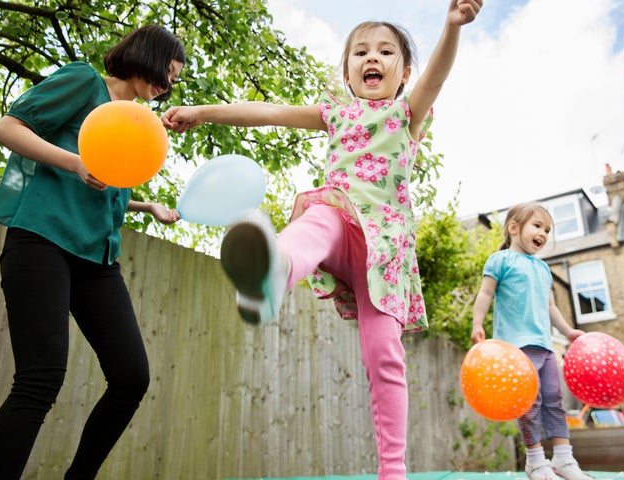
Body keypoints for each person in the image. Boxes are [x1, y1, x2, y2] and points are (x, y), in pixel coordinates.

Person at [162, 2, 482, 478]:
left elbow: (436, 75)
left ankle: (392, 470)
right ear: (348, 73)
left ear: (404, 71)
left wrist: (451, 27)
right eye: (360, 52)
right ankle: (270, 275)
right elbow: (268, 112)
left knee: (385, 358)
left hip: (385, 252)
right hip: (339, 215)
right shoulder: (335, 114)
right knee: (314, 225)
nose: (371, 58)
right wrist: (205, 111)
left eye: (385, 51)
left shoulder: (405, 113)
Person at [0, 25, 185, 480]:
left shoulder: (131, 121)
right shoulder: (85, 82)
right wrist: (74, 161)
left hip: (97, 259)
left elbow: (102, 185)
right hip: (42, 240)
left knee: (131, 377)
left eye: (174, 82)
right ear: (147, 54)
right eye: (168, 72)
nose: (168, 85)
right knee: (40, 378)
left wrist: (145, 203)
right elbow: (7, 127)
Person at [471, 202, 592, 480]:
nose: (543, 233)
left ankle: (563, 459)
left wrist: (568, 332)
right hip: (514, 349)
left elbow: (551, 307)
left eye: (547, 230)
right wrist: (477, 323)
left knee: (554, 400)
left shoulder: (543, 269)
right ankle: (536, 460)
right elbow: (485, 294)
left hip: (546, 346)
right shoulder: (499, 261)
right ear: (513, 228)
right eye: (537, 226)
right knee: (529, 404)